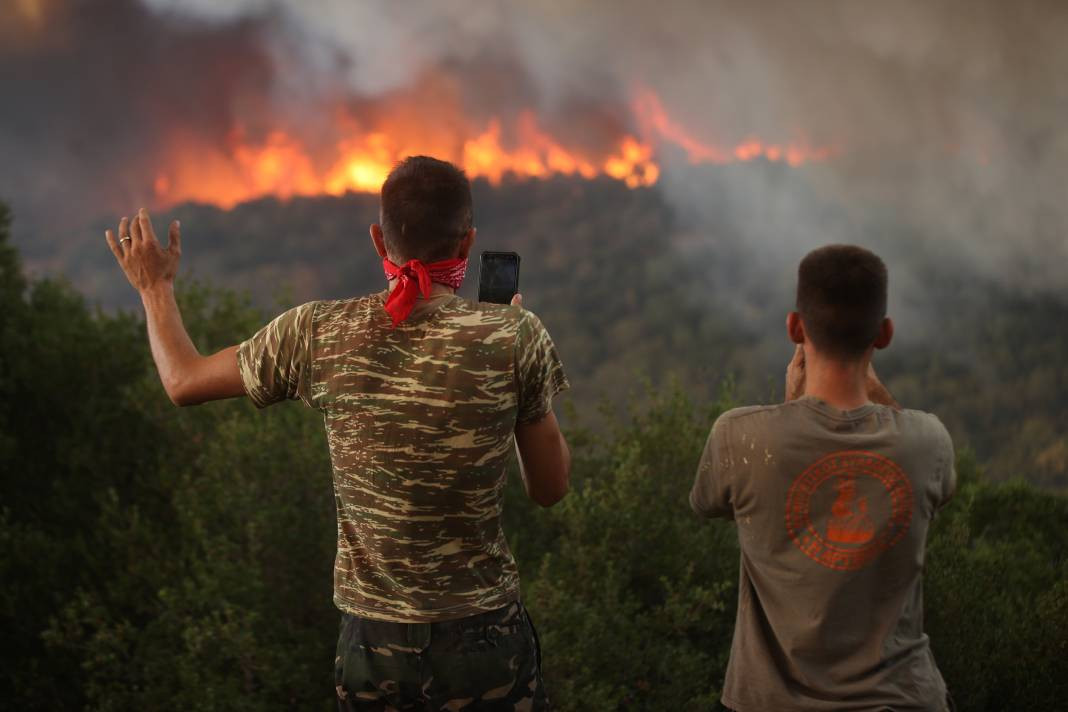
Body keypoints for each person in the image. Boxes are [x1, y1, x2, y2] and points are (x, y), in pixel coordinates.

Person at [105, 156, 571, 710]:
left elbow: (183, 380)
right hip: (485, 640)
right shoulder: (516, 335)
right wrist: (511, 360)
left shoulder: (315, 332)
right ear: (467, 244)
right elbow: (549, 489)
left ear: (379, 240)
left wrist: (154, 287)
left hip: (373, 647)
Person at [690, 245, 956, 712]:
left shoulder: (740, 436)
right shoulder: (928, 441)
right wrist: (870, 389)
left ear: (795, 326)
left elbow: (707, 503)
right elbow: (935, 483)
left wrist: (792, 406)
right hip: (902, 700)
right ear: (885, 333)